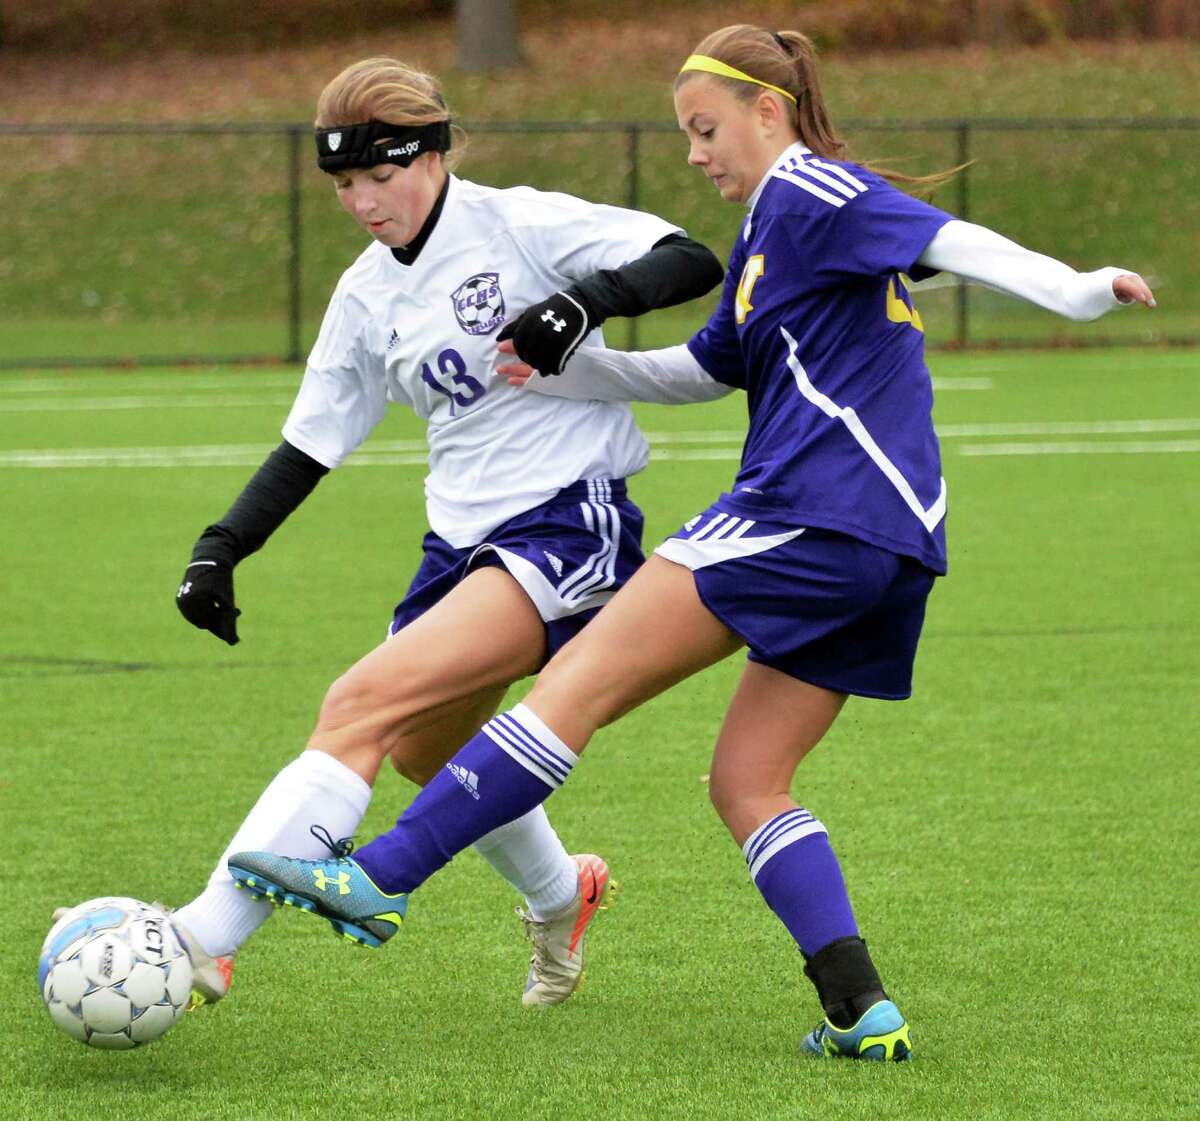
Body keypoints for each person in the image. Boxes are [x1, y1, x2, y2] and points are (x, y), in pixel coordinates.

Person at [227, 26, 1156, 1059]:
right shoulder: (770, 238)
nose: (694, 153)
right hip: (896, 547)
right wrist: (568, 362)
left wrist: (1076, 288)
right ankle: (861, 1006)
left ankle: (380, 873)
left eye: (706, 129)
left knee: (571, 684)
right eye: (686, 133)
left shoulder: (810, 192)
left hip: (805, 509)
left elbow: (942, 238)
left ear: (772, 111)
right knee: (749, 781)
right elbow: (701, 371)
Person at [154, 55, 725, 1011]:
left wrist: (581, 302)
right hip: (458, 542)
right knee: (427, 749)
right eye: (344, 184)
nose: (364, 202)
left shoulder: (517, 223)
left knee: (359, 704)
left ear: (434, 152)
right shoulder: (366, 294)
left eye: (382, 175)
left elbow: (688, 255)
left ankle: (202, 943)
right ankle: (562, 893)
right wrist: (221, 546)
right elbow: (310, 442)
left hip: (567, 520)